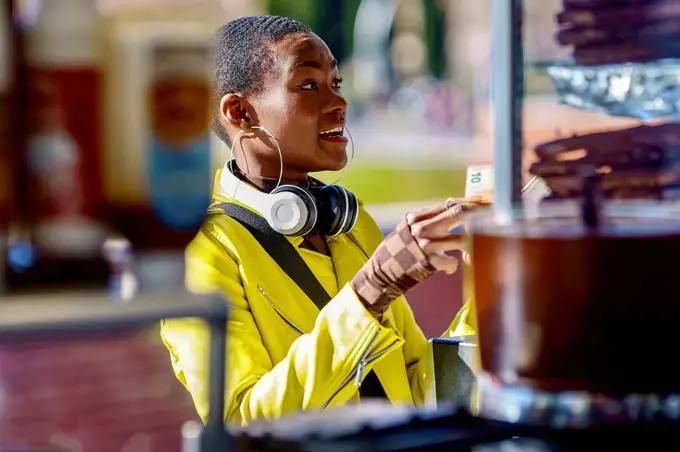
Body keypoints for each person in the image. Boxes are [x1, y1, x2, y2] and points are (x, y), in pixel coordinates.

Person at [160, 15, 480, 427]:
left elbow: (418, 391)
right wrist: (371, 289)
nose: (339, 103)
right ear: (239, 113)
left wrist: (497, 288)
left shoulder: (349, 224)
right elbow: (244, 422)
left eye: (337, 83)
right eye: (309, 85)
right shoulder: (202, 252)